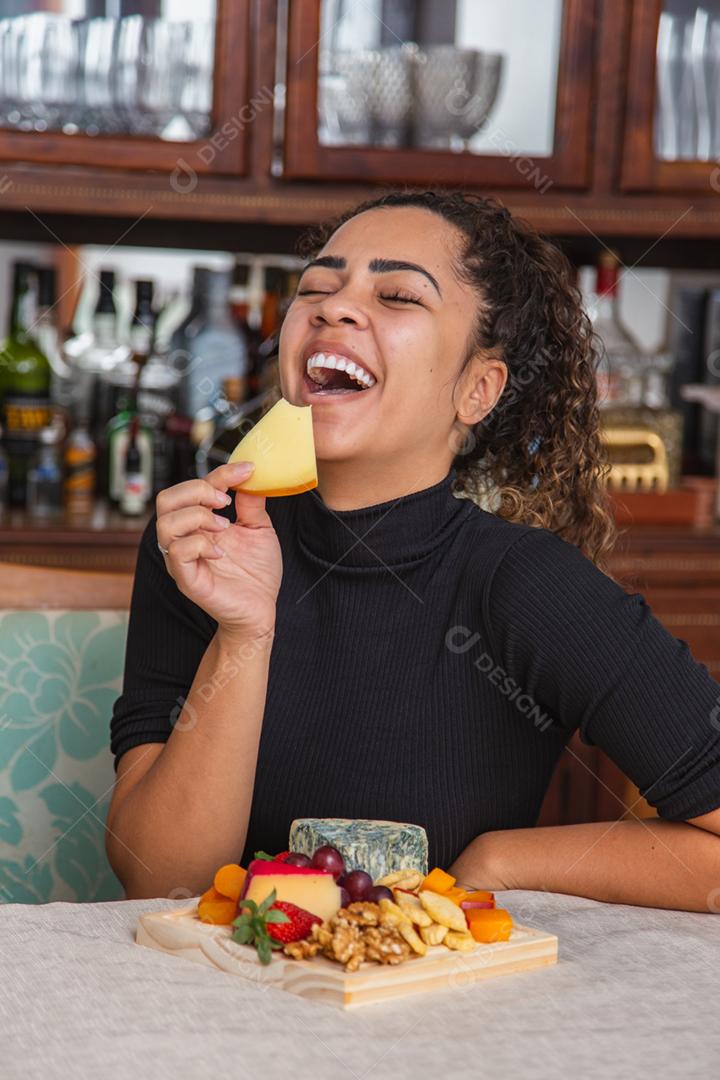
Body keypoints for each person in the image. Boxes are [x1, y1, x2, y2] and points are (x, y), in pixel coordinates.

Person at [107, 190, 720, 911]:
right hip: (220, 1001)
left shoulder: (522, 584)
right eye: (315, 288)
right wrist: (244, 632)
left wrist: (502, 861)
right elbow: (160, 883)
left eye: (397, 295)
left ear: (478, 389)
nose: (332, 308)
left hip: (435, 1017)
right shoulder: (199, 545)